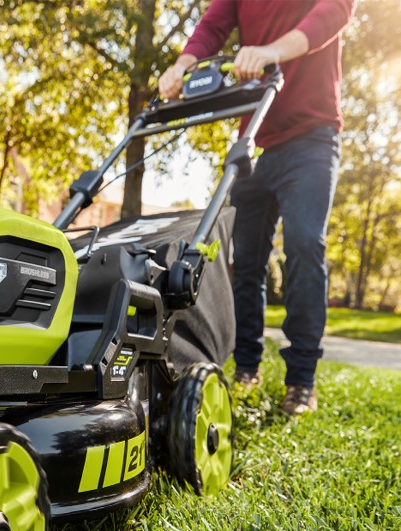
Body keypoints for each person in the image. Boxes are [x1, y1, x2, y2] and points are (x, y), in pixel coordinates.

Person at [159, 0, 355, 415]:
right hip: (255, 139)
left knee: (304, 244)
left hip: (312, 137)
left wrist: (270, 52)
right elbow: (213, 25)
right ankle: (246, 368)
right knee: (245, 262)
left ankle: (301, 380)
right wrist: (183, 66)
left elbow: (333, 13)